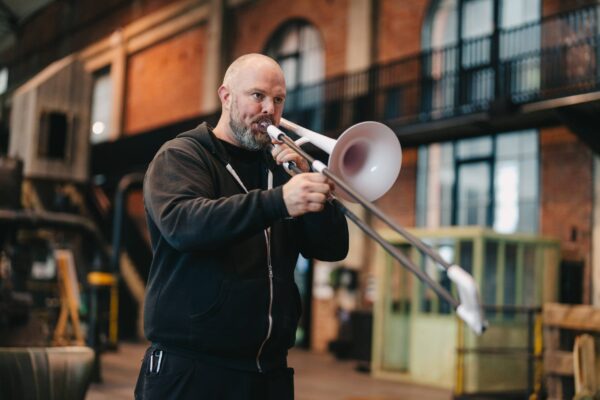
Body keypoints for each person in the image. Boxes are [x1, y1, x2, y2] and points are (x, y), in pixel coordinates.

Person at [134, 53, 349, 400]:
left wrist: (311, 184)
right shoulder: (183, 156)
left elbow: (333, 248)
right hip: (192, 370)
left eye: (278, 99)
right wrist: (278, 201)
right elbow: (185, 224)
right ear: (226, 96)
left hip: (269, 373)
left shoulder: (282, 167)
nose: (269, 108)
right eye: (257, 95)